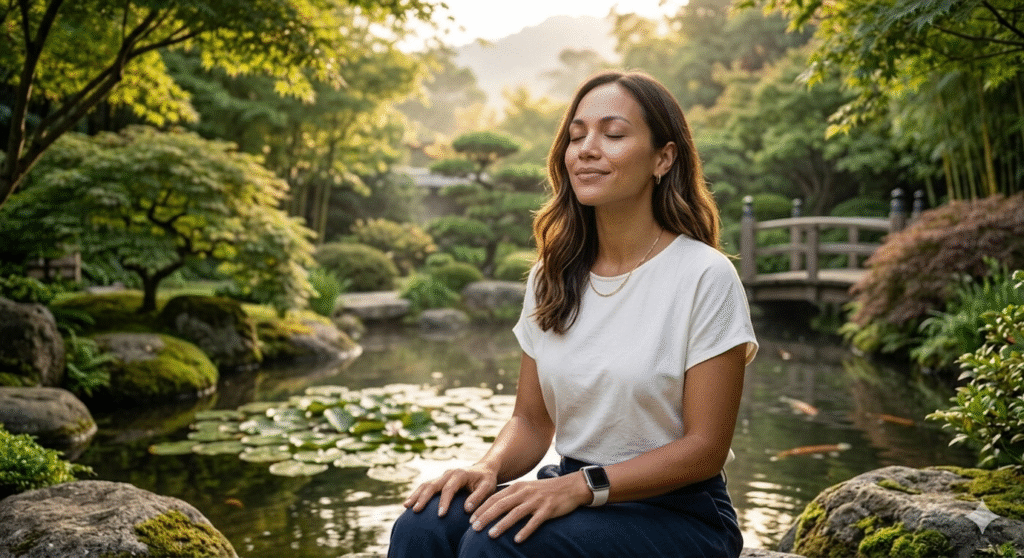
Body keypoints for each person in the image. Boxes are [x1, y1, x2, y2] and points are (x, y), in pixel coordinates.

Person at [388, 70, 758, 558]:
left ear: (663, 158)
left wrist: (581, 487)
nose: (586, 148)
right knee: (424, 523)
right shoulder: (554, 272)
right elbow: (531, 422)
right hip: (575, 492)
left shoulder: (704, 275)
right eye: (576, 135)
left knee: (495, 546)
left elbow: (705, 448)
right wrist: (489, 468)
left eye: (614, 134)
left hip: (677, 512)